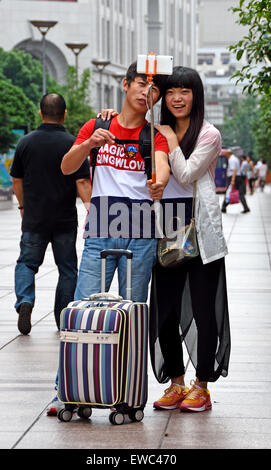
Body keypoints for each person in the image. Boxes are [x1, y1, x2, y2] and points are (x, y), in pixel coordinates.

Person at [46, 62, 170, 416]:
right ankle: (67, 390)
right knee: (83, 310)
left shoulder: (154, 135)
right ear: (125, 84)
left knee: (132, 314)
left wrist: (158, 183)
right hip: (101, 229)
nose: (147, 94)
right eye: (142, 85)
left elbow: (161, 166)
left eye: (154, 90)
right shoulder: (99, 124)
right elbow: (67, 168)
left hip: (141, 232)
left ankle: (125, 391)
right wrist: (87, 143)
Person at [147, 66, 231, 412]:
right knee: (163, 310)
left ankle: (202, 386)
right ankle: (176, 383)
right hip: (166, 226)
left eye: (185, 91)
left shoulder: (209, 135)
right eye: (170, 92)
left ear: (196, 96)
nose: (177, 98)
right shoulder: (156, 130)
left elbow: (185, 173)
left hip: (201, 230)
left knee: (203, 309)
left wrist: (167, 136)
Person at [10, 93, 91, 335]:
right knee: (67, 269)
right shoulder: (73, 144)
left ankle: (25, 301)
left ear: (40, 112)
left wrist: (23, 206)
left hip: (35, 218)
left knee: (27, 262)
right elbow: (82, 181)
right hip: (65, 219)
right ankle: (62, 316)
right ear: (64, 114)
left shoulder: (26, 142)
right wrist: (92, 210)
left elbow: (16, 180)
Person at [221, 148, 250, 214]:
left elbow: (234, 170)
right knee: (241, 193)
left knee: (228, 192)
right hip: (238, 177)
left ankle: (223, 207)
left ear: (228, 154)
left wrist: (233, 180)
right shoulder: (235, 158)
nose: (225, 156)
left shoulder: (231, 159)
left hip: (233, 177)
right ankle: (246, 208)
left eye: (226, 154)